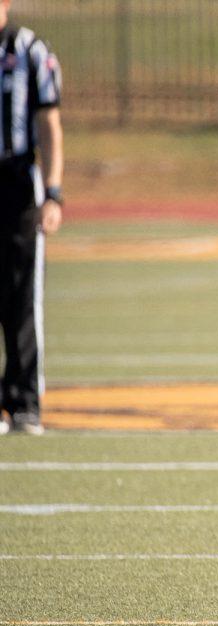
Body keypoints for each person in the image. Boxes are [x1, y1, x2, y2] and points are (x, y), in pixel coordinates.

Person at [0, 0, 62, 437]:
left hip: (19, 181)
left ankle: (23, 403)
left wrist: (53, 192)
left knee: (22, 293)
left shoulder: (29, 50)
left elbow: (50, 125)